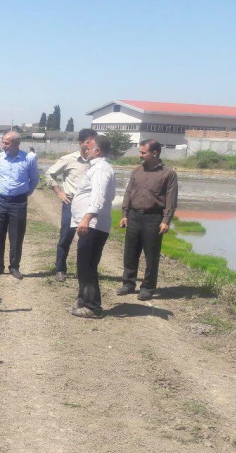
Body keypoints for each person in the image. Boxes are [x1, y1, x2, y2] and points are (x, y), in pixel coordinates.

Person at [118, 139, 179, 301]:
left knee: (151, 255)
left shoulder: (168, 174)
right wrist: (124, 214)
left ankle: (148, 287)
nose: (140, 155)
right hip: (134, 216)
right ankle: (128, 283)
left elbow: (171, 199)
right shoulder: (137, 170)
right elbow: (128, 192)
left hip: (153, 218)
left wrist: (166, 220)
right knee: (130, 252)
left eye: (143, 152)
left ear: (154, 153)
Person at [69, 135, 117, 318]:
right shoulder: (96, 168)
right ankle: (82, 301)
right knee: (83, 264)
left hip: (93, 225)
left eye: (88, 148)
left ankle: (93, 306)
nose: (85, 150)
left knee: (87, 265)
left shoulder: (101, 169)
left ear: (97, 150)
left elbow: (98, 196)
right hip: (92, 224)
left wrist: (87, 218)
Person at [45, 128, 97, 282]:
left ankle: (85, 270)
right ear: (80, 143)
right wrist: (59, 192)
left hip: (90, 206)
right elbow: (49, 173)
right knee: (66, 236)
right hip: (71, 203)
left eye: (93, 143)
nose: (90, 146)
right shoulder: (68, 159)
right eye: (88, 143)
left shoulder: (96, 161)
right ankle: (60, 269)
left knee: (87, 239)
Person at [0, 131, 40, 279]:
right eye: (3, 142)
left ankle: (14, 266)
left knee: (16, 236)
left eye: (7, 143)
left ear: (17, 144)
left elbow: (35, 178)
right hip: (0, 200)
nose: (4, 146)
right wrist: (1, 190)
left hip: (18, 202)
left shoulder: (27, 159)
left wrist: (24, 193)